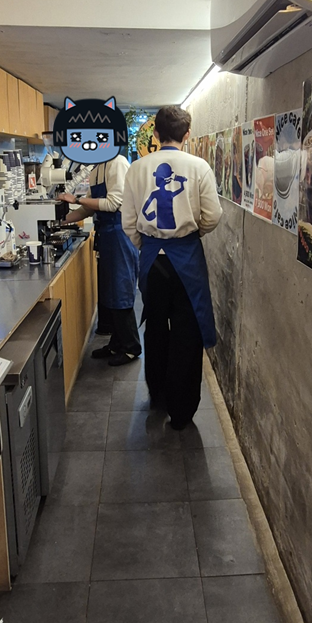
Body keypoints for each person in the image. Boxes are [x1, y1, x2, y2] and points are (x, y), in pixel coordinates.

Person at [122, 106, 222, 429]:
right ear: (187, 134)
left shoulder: (137, 169)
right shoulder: (199, 167)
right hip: (187, 258)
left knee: (155, 326)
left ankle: (158, 394)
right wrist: (191, 236)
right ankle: (182, 411)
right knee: (187, 330)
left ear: (155, 133)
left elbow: (128, 222)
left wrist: (146, 244)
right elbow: (213, 215)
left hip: (152, 259)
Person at [59, 156, 141, 366]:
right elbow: (90, 207)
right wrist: (61, 221)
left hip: (120, 234)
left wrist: (76, 200)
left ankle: (131, 347)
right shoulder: (97, 168)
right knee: (110, 292)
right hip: (106, 234)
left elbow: (113, 203)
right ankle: (117, 343)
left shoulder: (118, 163)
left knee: (121, 291)